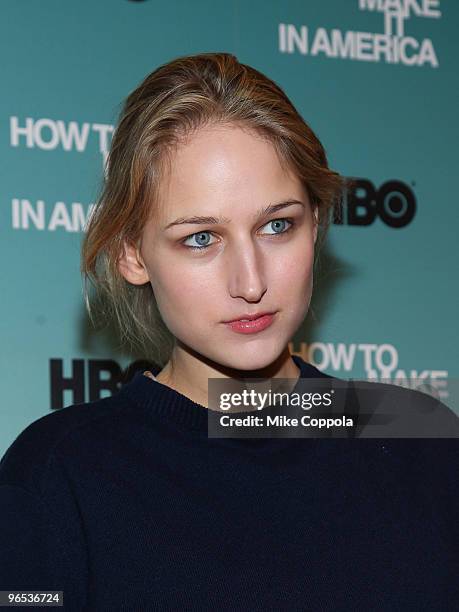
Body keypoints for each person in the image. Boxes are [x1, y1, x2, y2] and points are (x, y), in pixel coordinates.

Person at [0, 52, 457, 611]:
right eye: (200, 238)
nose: (250, 282)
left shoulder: (419, 437)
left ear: (315, 225)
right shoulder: (58, 475)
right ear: (130, 254)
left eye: (276, 226)